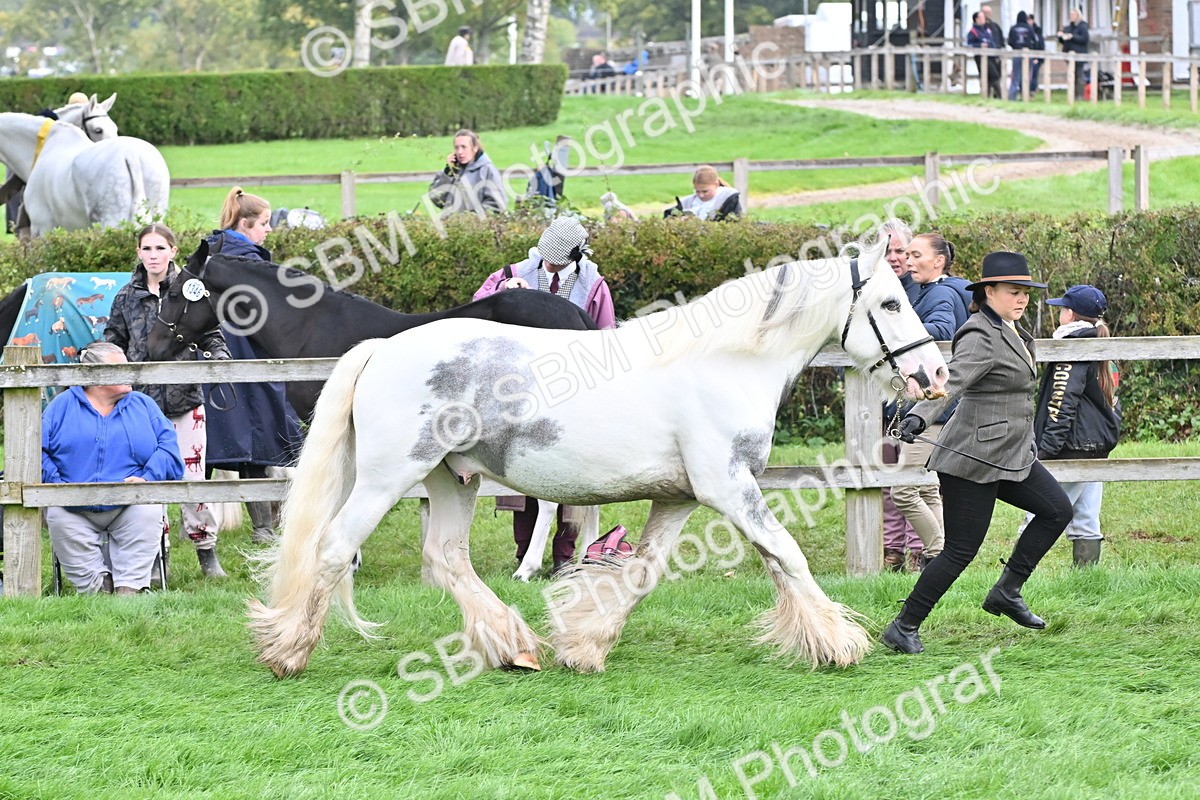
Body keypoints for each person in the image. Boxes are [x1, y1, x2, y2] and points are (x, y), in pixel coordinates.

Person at [882, 252, 1074, 654]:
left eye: (1025, 293)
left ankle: (1007, 590)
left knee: (1057, 510)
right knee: (960, 551)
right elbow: (951, 381)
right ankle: (904, 626)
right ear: (989, 292)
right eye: (1013, 292)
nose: (1021, 300)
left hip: (1011, 454)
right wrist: (919, 416)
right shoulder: (981, 333)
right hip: (971, 458)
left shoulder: (1014, 331)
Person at [473, 217, 617, 570]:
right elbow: (476, 307)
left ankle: (564, 557)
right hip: (519, 387)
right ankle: (524, 552)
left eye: (556, 260)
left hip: (572, 388)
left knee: (568, 472)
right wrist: (505, 290)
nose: (548, 265)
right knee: (521, 468)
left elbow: (607, 335)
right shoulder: (512, 271)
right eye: (546, 257)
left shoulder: (594, 285)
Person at [105, 223, 231, 579]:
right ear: (139, 253)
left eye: (160, 248)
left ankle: (206, 551)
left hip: (185, 399)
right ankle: (156, 557)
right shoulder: (126, 298)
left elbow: (210, 333)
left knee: (192, 478)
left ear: (173, 251)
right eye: (147, 249)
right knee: (148, 480)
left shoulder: (190, 292)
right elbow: (114, 338)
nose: (154, 256)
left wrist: (218, 356)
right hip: (142, 405)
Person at [203, 188, 304, 563]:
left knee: (209, 447)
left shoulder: (210, 255)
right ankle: (263, 529)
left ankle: (202, 533)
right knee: (257, 440)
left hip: (214, 362)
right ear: (245, 225)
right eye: (263, 224)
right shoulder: (249, 262)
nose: (268, 231)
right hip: (248, 359)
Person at [42, 343, 184, 595]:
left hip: (131, 505)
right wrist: (57, 486)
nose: (128, 371)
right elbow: (36, 452)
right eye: (119, 367)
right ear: (95, 376)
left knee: (149, 509)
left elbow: (170, 451)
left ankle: (130, 590)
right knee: (56, 515)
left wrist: (147, 478)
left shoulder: (144, 405)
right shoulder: (60, 407)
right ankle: (97, 588)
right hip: (71, 508)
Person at [889, 232, 970, 572]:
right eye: (906, 254)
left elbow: (942, 328)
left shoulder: (940, 293)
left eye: (915, 254)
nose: (908, 260)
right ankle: (940, 556)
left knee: (903, 490)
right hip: (934, 406)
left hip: (934, 408)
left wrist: (893, 328)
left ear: (939, 261)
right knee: (927, 488)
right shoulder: (930, 290)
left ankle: (940, 555)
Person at [1025, 285, 1120, 566]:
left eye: (1061, 309)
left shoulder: (1072, 347)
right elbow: (1114, 398)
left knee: (1036, 511)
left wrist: (1046, 449)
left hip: (1071, 444)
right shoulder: (1104, 343)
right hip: (1095, 444)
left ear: (1069, 314)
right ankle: (1086, 581)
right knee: (1087, 518)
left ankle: (1017, 580)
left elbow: (1061, 402)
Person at [878, 220, 923, 572]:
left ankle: (918, 552)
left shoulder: (921, 291)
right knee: (886, 483)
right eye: (886, 250)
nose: (893, 257)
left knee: (914, 482)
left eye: (899, 251)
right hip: (881, 405)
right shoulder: (870, 292)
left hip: (916, 405)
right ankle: (890, 552)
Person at [428, 129, 507, 218]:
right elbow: (436, 198)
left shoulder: (487, 170)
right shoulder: (453, 170)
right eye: (456, 147)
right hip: (450, 226)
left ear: (475, 148)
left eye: (464, 147)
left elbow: (498, 205)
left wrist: (471, 218)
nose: (460, 152)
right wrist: (448, 173)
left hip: (475, 228)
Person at [664, 165, 742, 221]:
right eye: (697, 191)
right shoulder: (688, 202)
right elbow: (668, 217)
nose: (701, 195)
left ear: (716, 184)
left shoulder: (729, 199)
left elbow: (733, 224)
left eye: (705, 191)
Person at [967, 11, 1002, 99]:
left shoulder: (987, 29)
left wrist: (996, 54)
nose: (984, 19)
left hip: (992, 56)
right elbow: (969, 45)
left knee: (992, 76)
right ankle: (999, 95)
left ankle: (988, 95)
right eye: (982, 17)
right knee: (992, 75)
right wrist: (979, 45)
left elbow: (992, 42)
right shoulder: (973, 31)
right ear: (976, 19)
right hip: (981, 57)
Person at [1058, 8, 1090, 99]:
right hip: (1069, 54)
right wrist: (1061, 36)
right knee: (1072, 75)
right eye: (1070, 15)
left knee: (1079, 75)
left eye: (1073, 15)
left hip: (1079, 54)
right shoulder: (1068, 27)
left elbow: (1084, 39)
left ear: (1077, 16)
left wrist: (1072, 37)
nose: (1071, 17)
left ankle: (1080, 95)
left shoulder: (1082, 27)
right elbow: (1063, 41)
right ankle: (1072, 95)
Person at [1007, 11, 1036, 100]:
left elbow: (1009, 41)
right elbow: (1034, 40)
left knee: (1015, 76)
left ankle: (1012, 97)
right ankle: (1025, 96)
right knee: (1027, 76)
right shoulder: (1029, 28)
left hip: (1016, 54)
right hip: (1027, 55)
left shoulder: (1013, 28)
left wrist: (1015, 47)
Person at [1027, 13, 1046, 93]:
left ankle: (1032, 90)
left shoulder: (1037, 31)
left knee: (1034, 73)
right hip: (1029, 56)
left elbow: (1039, 44)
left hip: (1036, 56)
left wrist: (1037, 57)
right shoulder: (1027, 30)